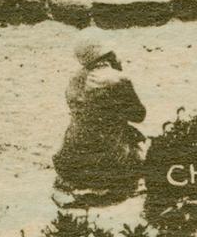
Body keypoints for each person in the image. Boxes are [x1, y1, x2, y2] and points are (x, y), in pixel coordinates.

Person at [53, 35, 147, 202]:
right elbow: (139, 115)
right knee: (142, 147)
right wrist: (124, 79)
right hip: (109, 160)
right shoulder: (117, 79)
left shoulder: (74, 79)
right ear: (109, 53)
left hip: (70, 161)